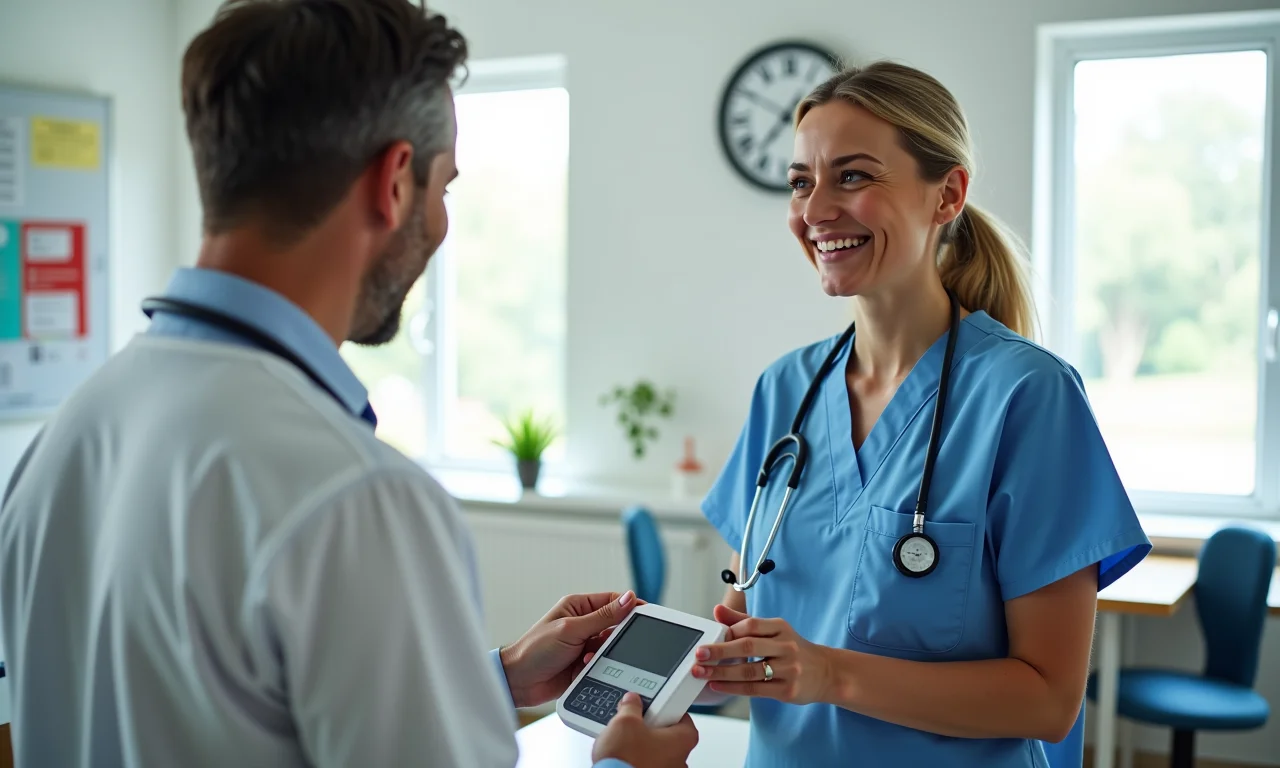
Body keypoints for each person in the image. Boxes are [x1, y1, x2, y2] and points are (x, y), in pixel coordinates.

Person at [0, 1, 697, 766]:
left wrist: (485, 682)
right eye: (445, 189)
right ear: (394, 181)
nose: (439, 222)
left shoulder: (62, 441)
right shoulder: (358, 498)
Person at [688, 61, 1152, 767]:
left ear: (947, 194)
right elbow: (752, 633)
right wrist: (673, 671)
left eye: (853, 176)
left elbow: (1048, 698)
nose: (815, 211)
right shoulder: (785, 391)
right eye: (800, 181)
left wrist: (831, 673)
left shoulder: (1027, 396)